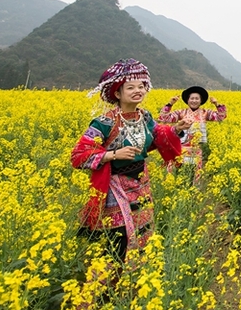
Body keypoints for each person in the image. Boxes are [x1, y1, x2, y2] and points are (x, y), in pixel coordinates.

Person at [71, 59, 189, 262]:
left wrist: (177, 129)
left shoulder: (144, 117)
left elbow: (157, 136)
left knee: (142, 234)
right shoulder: (104, 122)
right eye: (131, 87)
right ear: (117, 93)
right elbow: (78, 155)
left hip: (141, 184)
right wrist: (114, 155)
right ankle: (106, 286)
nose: (139, 91)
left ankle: (133, 281)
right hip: (115, 187)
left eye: (142, 86)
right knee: (118, 239)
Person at [158, 85, 227, 171]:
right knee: (178, 174)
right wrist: (170, 104)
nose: (194, 101)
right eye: (192, 98)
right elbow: (164, 117)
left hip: (195, 150)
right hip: (180, 149)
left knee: (192, 175)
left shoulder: (205, 113)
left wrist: (216, 104)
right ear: (188, 100)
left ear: (201, 101)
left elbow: (221, 117)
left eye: (197, 99)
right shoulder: (182, 112)